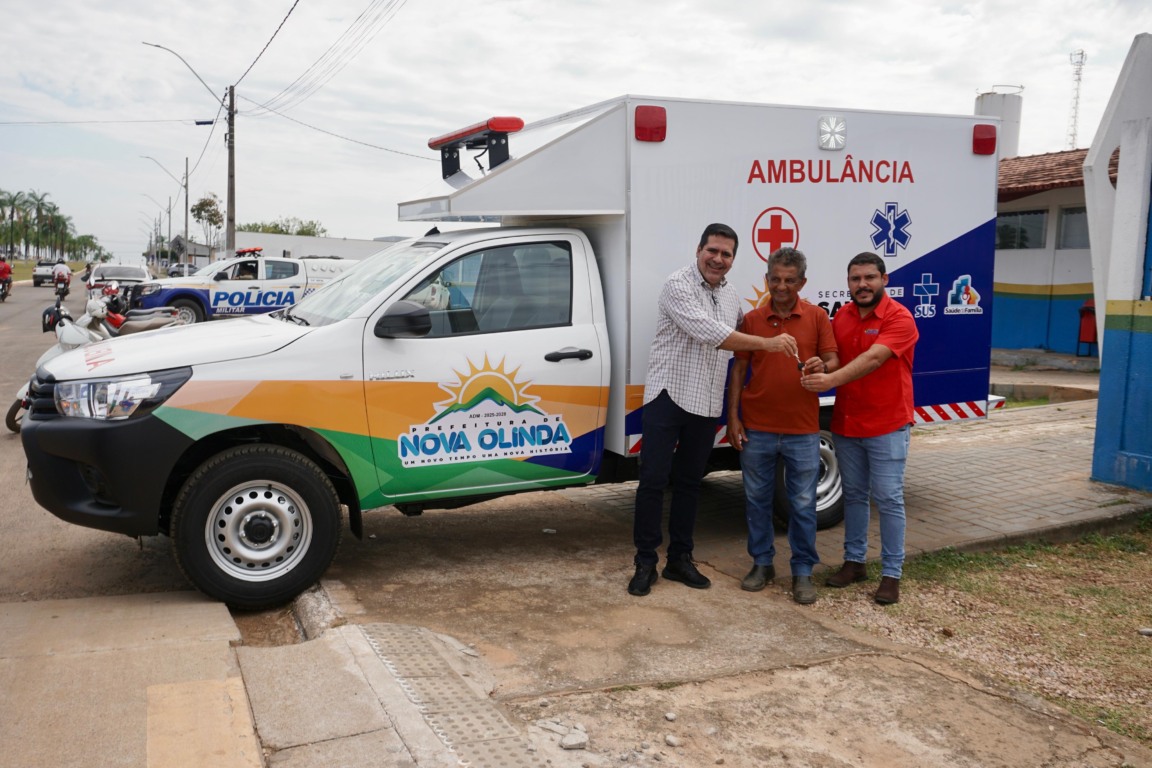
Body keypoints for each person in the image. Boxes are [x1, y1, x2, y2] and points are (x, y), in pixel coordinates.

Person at [629, 223, 799, 597]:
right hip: (668, 395)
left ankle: (679, 559)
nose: (718, 259)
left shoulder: (731, 294)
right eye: (713, 251)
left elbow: (745, 328)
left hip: (706, 401)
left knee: (690, 483)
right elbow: (711, 333)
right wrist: (770, 343)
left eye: (726, 254)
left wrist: (789, 323)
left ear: (733, 259)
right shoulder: (677, 285)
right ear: (699, 249)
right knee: (654, 481)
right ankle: (645, 562)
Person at [801, 252, 919, 605]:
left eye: (869, 277)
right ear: (848, 283)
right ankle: (854, 563)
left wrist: (830, 380)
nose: (862, 284)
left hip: (887, 424)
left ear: (884, 279)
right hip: (848, 423)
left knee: (888, 498)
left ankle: (891, 574)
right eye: (856, 279)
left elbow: (873, 359)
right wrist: (821, 365)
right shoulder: (843, 317)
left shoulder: (900, 318)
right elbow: (835, 356)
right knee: (853, 496)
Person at [726, 247, 839, 604]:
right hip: (757, 428)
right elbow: (739, 370)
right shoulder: (753, 320)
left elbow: (834, 359)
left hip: (803, 429)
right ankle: (762, 564)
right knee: (756, 501)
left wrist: (823, 366)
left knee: (803, 505)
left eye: (790, 280)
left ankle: (803, 571)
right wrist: (733, 417)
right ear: (767, 279)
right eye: (775, 279)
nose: (781, 286)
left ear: (802, 282)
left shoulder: (817, 317)